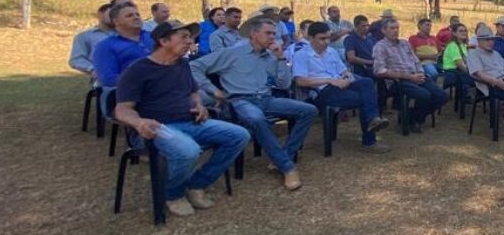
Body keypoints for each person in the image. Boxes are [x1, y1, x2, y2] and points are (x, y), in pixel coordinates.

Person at [113, 20, 250, 218]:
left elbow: (193, 92)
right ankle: (173, 194)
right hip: (157, 129)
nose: (190, 41)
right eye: (183, 37)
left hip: (189, 122)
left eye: (190, 37)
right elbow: (122, 110)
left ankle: (197, 184)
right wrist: (139, 122)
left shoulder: (182, 65)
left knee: (239, 135)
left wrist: (199, 106)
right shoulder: (138, 70)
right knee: (188, 151)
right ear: (163, 40)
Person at [191, 16, 315, 191]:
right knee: (256, 118)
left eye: (274, 33)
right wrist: (213, 90)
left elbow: (284, 85)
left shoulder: (271, 57)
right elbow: (194, 67)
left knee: (308, 110)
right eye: (268, 33)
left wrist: (280, 58)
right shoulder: (232, 53)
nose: (273, 37)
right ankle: (288, 167)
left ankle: (283, 155)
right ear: (254, 34)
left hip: (266, 98)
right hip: (240, 100)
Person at [292, 22, 390, 153]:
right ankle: (369, 140)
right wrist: (330, 80)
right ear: (310, 38)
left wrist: (346, 78)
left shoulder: (331, 52)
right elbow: (300, 81)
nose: (327, 42)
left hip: (341, 86)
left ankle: (373, 119)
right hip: (322, 92)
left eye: (328, 37)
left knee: (366, 82)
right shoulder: (301, 55)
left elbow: (344, 71)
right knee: (365, 99)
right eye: (322, 38)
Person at [374, 18, 448, 132]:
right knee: (424, 95)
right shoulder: (380, 47)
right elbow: (379, 71)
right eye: (392, 28)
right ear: (383, 30)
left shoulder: (404, 43)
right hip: (398, 80)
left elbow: (416, 61)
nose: (395, 31)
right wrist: (409, 77)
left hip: (416, 76)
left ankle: (410, 117)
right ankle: (415, 120)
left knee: (442, 96)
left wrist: (420, 73)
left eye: (397, 28)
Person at [93, 3, 154, 88]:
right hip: (135, 93)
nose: (136, 17)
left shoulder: (154, 37)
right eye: (129, 16)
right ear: (116, 21)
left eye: (137, 14)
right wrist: (144, 80)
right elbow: (108, 79)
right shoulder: (106, 46)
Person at [69, 3, 114, 84]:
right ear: (100, 14)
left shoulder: (127, 34)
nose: (114, 17)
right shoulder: (84, 36)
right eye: (111, 14)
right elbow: (76, 59)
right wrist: (92, 69)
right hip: (102, 81)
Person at [440, 23, 473, 104]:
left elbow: (467, 61)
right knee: (474, 78)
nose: (464, 32)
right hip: (451, 73)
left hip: (458, 72)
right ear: (454, 33)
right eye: (461, 31)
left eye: (465, 31)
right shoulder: (453, 46)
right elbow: (460, 65)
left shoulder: (463, 45)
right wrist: (473, 73)